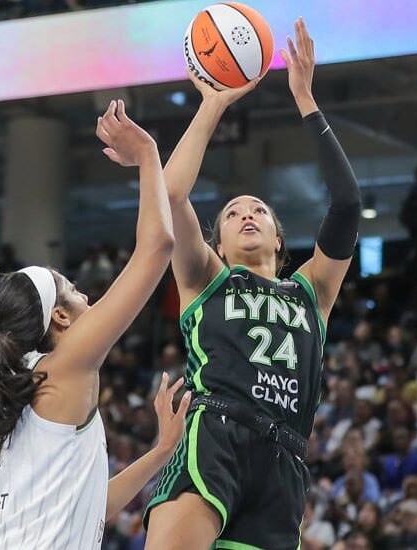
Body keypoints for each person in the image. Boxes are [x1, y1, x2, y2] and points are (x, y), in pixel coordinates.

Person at [0, 99, 189, 549]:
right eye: (75, 291)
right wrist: (149, 153)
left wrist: (160, 453)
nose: (88, 298)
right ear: (59, 317)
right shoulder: (63, 368)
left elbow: (88, 508)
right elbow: (157, 247)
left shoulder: (14, 397)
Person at [144, 17, 361, 550]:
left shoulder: (313, 291)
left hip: (284, 461)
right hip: (217, 435)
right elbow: (169, 199)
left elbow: (348, 205)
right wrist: (212, 105)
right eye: (233, 212)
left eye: (259, 210)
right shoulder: (207, 277)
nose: (246, 214)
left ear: (279, 239)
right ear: (216, 243)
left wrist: (305, 99)